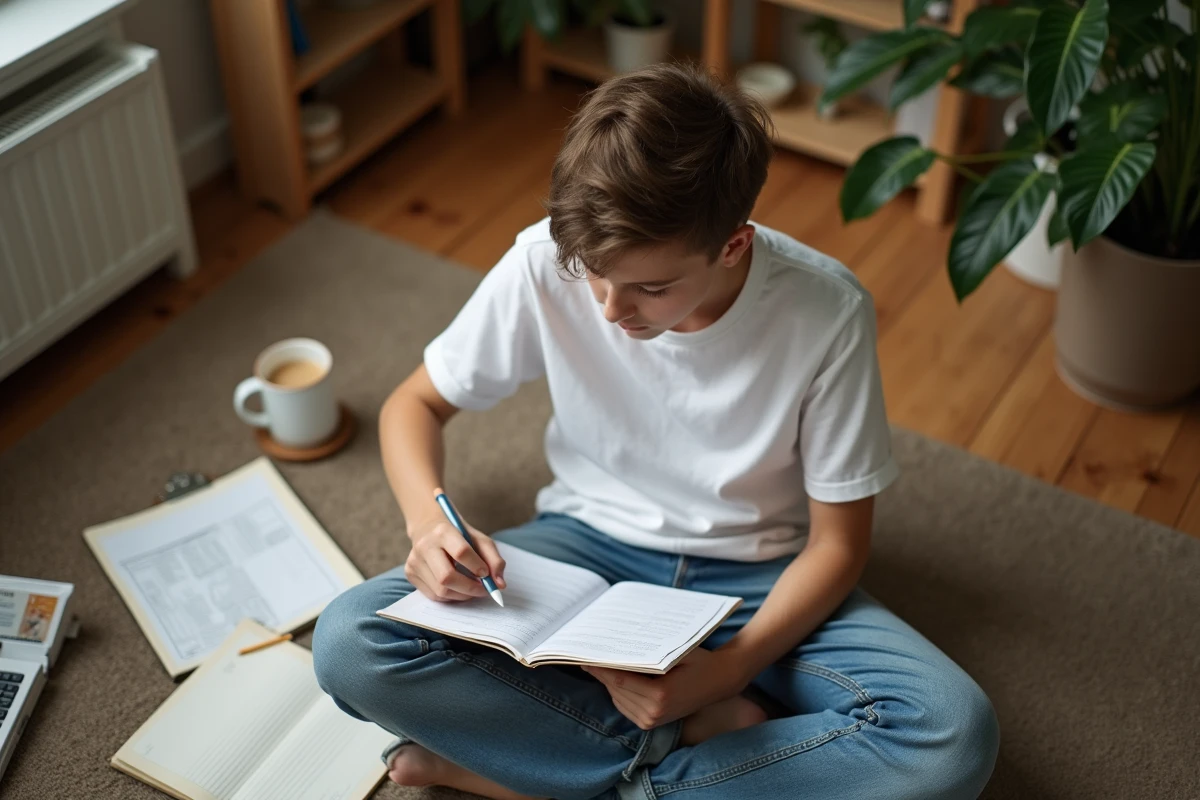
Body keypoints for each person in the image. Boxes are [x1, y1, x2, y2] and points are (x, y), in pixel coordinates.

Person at [312, 61, 999, 800]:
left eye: (650, 286)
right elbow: (412, 406)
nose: (611, 309)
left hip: (759, 578)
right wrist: (428, 526)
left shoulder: (826, 312)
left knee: (949, 734)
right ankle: (679, 758)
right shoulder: (546, 260)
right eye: (595, 275)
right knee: (352, 642)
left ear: (733, 245)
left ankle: (534, 775)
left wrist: (731, 669)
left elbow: (840, 545)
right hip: (584, 550)